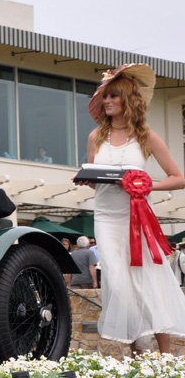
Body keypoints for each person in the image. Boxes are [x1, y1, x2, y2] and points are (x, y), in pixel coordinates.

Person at [76, 63, 185, 355]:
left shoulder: (147, 137)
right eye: (105, 97)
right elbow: (96, 182)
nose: (107, 101)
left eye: (113, 96)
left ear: (128, 100)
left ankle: (164, 356)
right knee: (118, 283)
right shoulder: (95, 137)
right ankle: (136, 352)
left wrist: (148, 186)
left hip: (139, 219)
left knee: (149, 280)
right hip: (107, 219)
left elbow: (179, 178)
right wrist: (84, 179)